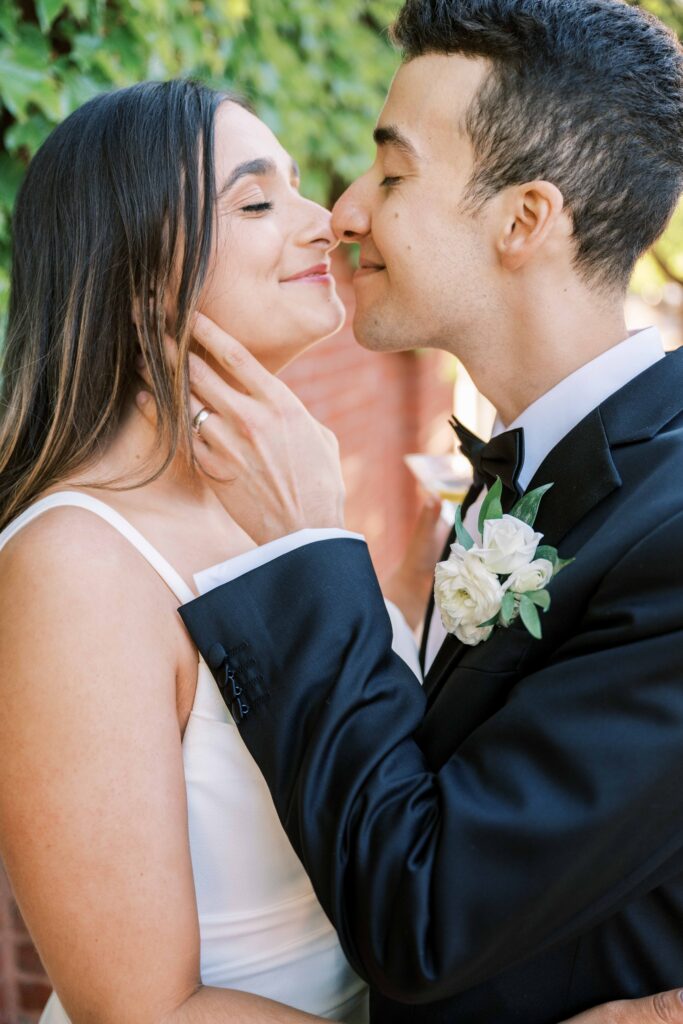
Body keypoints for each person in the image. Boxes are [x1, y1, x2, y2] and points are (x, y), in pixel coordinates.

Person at [163, 1, 683, 1023]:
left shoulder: (668, 533)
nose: (343, 211)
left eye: (392, 174)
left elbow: (423, 913)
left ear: (523, 221)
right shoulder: (528, 470)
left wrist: (307, 549)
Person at [0, 78, 422, 1023]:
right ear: (138, 275)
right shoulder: (77, 567)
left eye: (298, 188)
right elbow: (141, 1009)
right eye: (258, 202)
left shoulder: (271, 494)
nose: (325, 224)